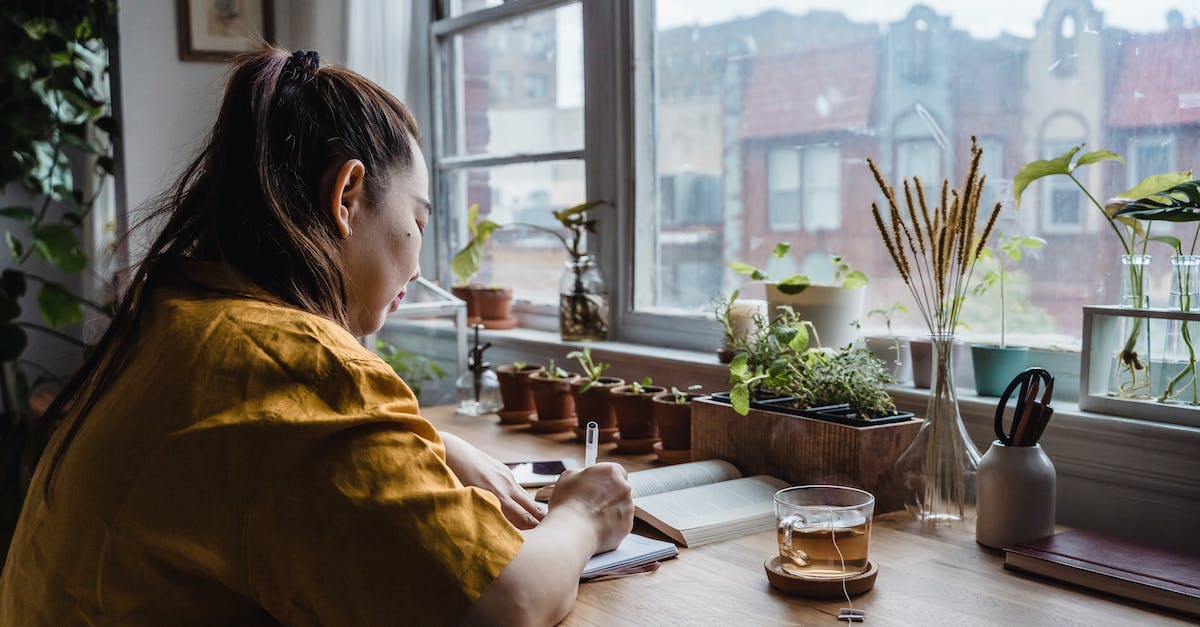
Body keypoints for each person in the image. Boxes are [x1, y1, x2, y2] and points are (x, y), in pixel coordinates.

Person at [0, 47, 634, 626]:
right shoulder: (293, 362)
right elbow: (506, 606)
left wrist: (430, 444)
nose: (419, 267)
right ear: (347, 195)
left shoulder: (177, 316)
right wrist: (582, 513)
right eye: (417, 221)